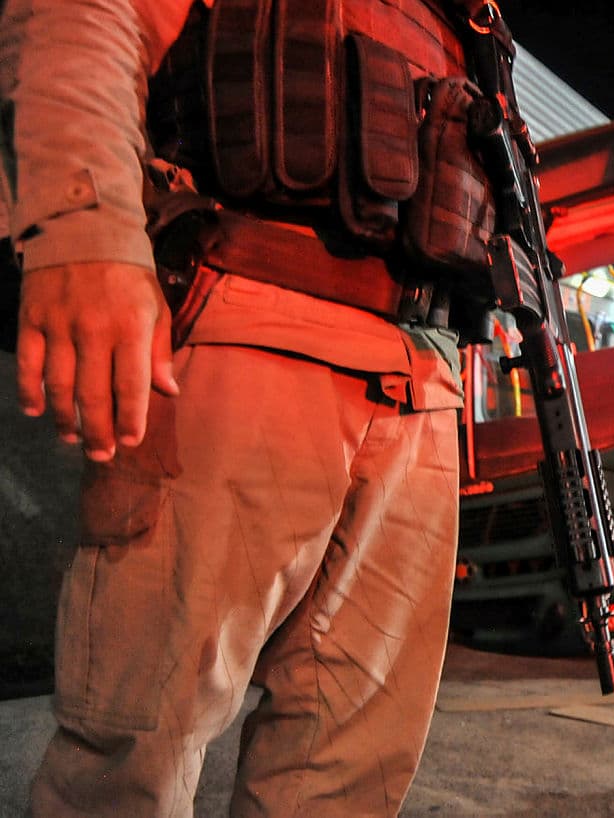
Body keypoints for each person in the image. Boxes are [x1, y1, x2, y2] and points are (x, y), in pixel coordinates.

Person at [1, 1, 503, 814]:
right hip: (240, 324)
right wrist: (82, 230)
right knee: (129, 764)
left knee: (345, 780)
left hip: (419, 384)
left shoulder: (474, 17)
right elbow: (86, 15)